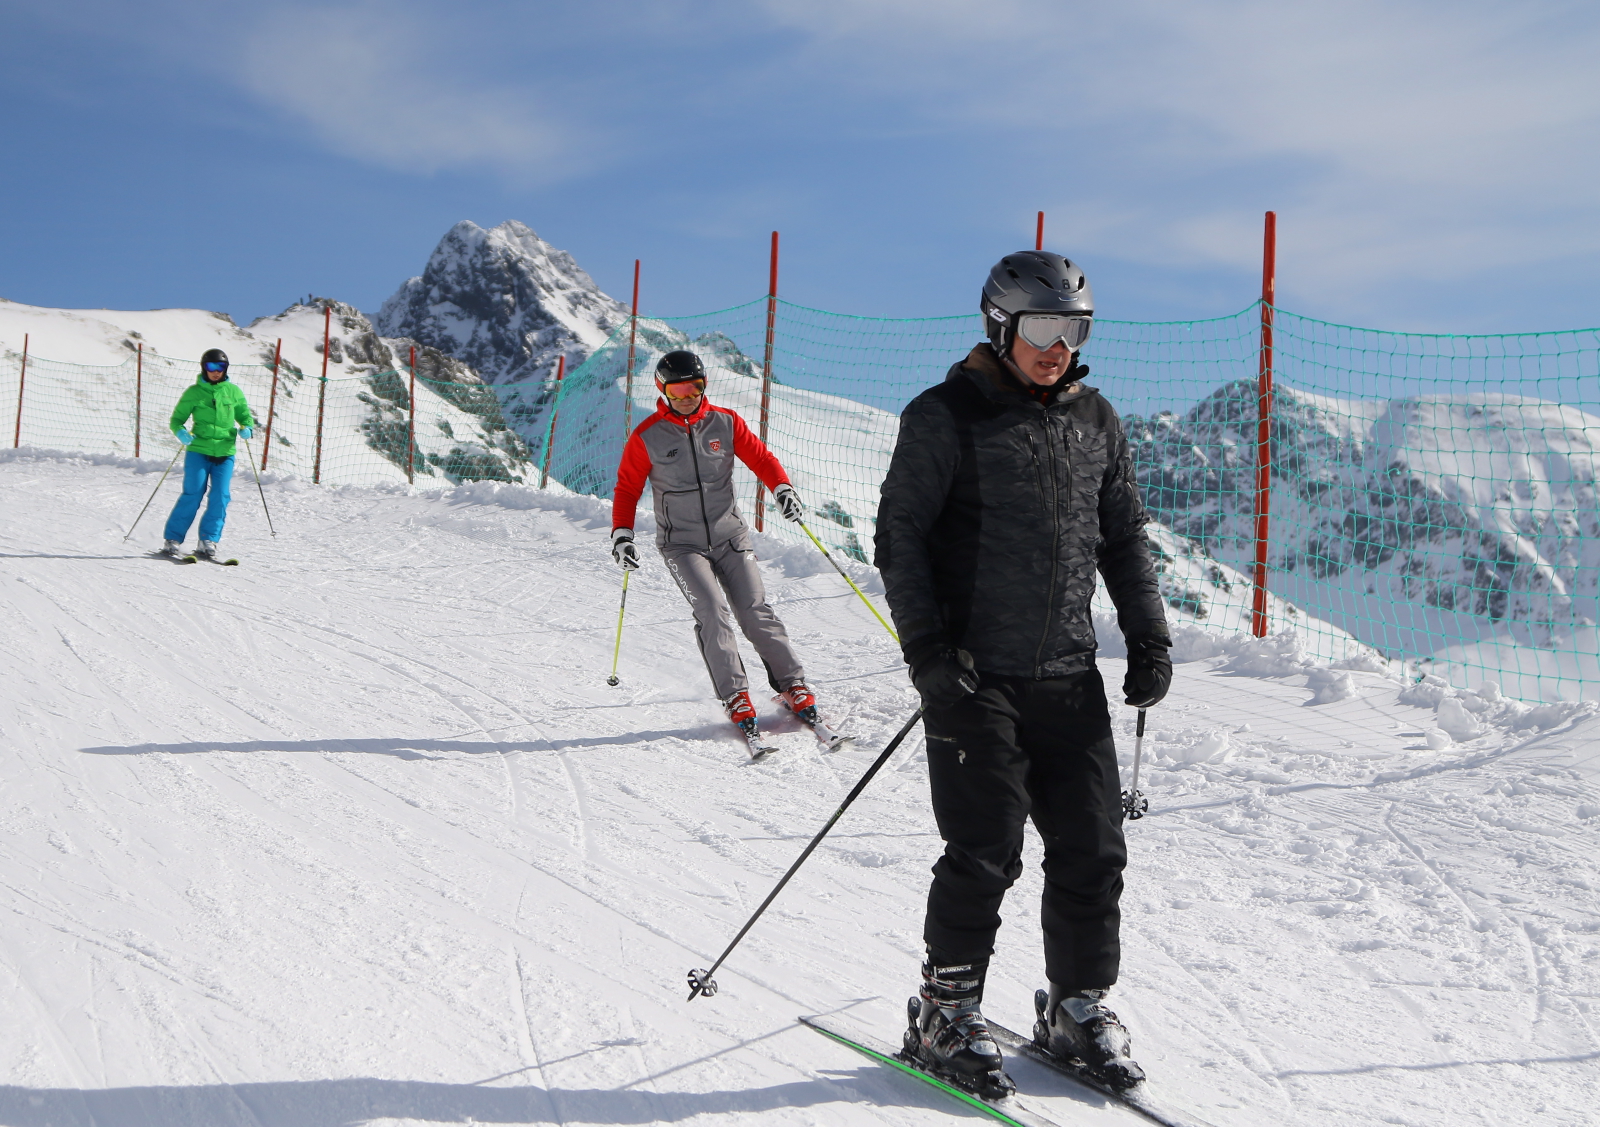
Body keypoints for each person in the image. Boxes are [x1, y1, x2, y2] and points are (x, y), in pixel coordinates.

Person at [875, 251, 1173, 1097]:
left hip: (1067, 673)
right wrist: (927, 651)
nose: (1057, 347)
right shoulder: (944, 417)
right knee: (985, 847)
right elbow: (900, 537)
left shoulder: (1097, 419)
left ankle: (1076, 1006)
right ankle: (945, 1008)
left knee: (1093, 848)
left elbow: (1123, 539)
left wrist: (1149, 639)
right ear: (999, 326)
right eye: (1042, 329)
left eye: (1073, 330)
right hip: (975, 676)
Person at [610, 350, 821, 752]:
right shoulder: (647, 436)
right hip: (682, 544)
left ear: (703, 386)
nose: (687, 396)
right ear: (663, 390)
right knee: (712, 611)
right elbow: (627, 487)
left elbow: (760, 457)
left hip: (730, 537)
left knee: (754, 610)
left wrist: (782, 487)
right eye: (678, 389)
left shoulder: (725, 422)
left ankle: (793, 686)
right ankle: (735, 695)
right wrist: (622, 532)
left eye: (694, 387)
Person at [158, 348, 257, 559]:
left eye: (220, 367)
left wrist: (247, 428)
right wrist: (182, 433)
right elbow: (176, 420)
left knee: (220, 497)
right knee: (193, 494)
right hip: (198, 450)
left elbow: (245, 417)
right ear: (204, 367)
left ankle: (208, 540)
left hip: (225, 451)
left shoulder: (233, 392)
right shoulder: (193, 393)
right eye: (211, 367)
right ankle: (173, 539)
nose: (215, 371)